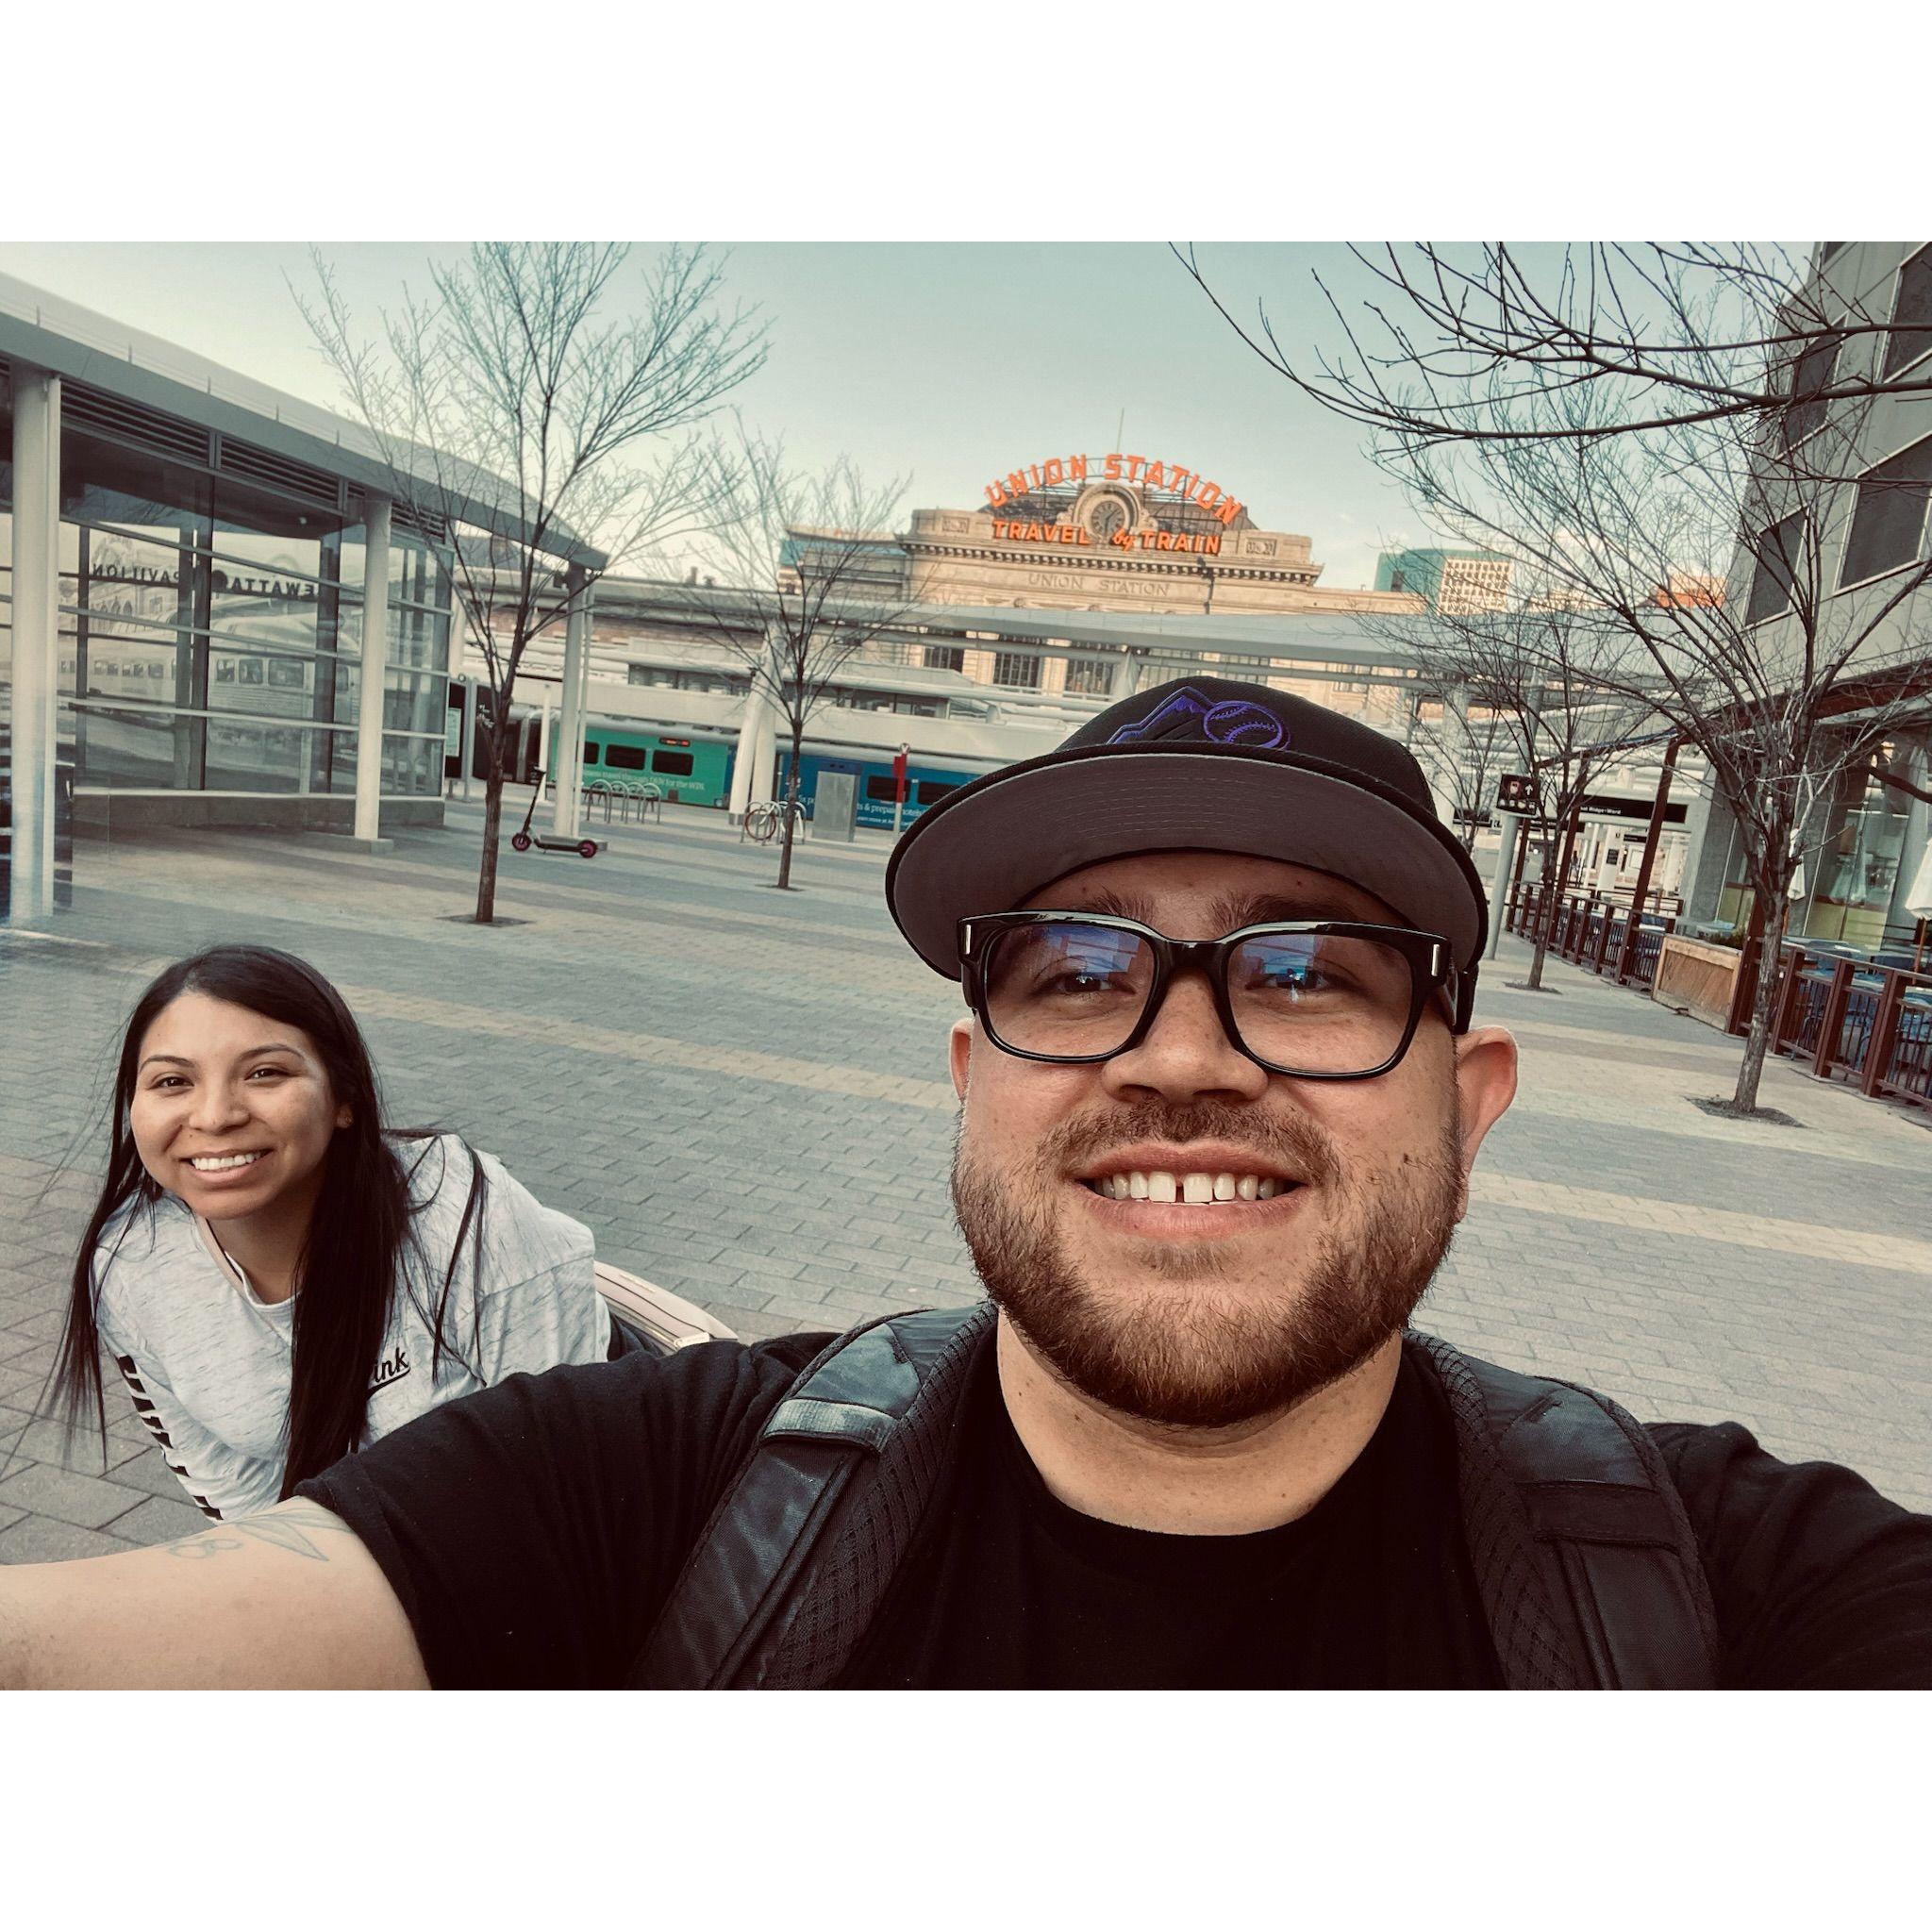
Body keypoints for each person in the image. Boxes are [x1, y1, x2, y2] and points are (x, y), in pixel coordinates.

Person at [2, 680, 1927, 1689]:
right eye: (1075, 972)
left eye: (1311, 977)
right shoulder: (650, 1490)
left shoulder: (1728, 1589)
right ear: (968, 1079)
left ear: (1470, 1098)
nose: (1179, 1053)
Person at [43, 943, 610, 1522]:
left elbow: (575, 1473)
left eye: (265, 1072)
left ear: (344, 1099)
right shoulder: (131, 1266)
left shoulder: (457, 1210)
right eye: (171, 1082)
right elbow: (247, 1515)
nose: (214, 1116)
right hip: (355, 1579)